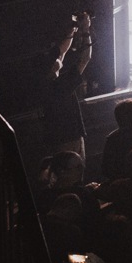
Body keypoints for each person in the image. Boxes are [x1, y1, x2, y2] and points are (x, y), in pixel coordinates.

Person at [42, 12, 95, 163]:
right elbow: (85, 58)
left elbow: (62, 52)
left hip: (56, 139)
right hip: (70, 139)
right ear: (53, 67)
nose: (58, 57)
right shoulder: (61, 87)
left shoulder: (45, 83)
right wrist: (86, 30)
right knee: (74, 171)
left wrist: (71, 32)